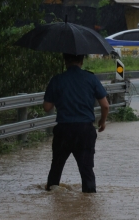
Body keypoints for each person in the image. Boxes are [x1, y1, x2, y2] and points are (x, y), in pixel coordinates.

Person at [43, 53, 109, 193]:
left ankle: (52, 195)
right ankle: (89, 198)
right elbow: (105, 105)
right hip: (85, 130)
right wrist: (102, 122)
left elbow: (47, 107)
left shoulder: (57, 80)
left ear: (65, 61)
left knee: (56, 167)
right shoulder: (91, 78)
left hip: (63, 130)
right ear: (82, 61)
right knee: (86, 170)